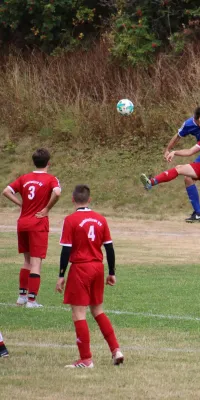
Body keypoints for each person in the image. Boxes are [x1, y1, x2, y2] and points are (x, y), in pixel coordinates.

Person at [141, 114, 200, 258]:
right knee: (179, 169)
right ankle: (151, 183)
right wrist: (174, 152)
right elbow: (190, 151)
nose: (198, 124)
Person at [56, 184, 123, 368]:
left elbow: (66, 250)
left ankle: (86, 359)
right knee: (98, 311)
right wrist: (111, 272)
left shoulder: (70, 220)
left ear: (72, 200)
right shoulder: (101, 219)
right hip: (97, 268)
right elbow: (109, 248)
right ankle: (116, 350)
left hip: (80, 269)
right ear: (89, 199)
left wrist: (61, 275)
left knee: (79, 314)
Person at [2, 148, 61, 308]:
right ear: (49, 163)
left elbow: (6, 191)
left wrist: (21, 203)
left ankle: (22, 297)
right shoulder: (51, 179)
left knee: (26, 261)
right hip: (38, 224)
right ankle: (32, 300)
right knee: (36, 262)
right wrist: (47, 208)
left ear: (34, 162)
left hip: (23, 223)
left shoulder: (24, 178)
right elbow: (57, 192)